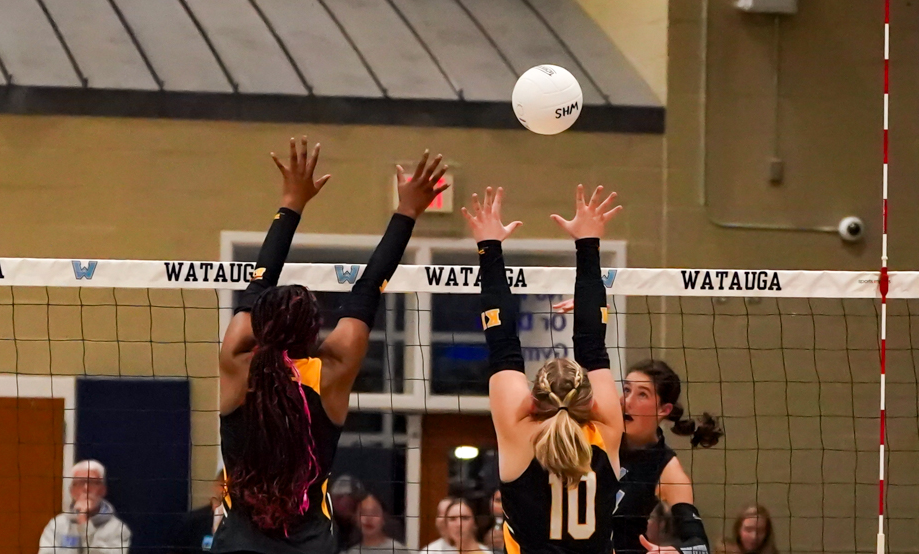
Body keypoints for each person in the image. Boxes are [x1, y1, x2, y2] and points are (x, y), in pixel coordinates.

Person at [211, 138, 447, 554]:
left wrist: (291, 203)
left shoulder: (237, 363)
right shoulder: (331, 371)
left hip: (238, 545)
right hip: (311, 545)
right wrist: (407, 211)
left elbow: (257, 285)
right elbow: (368, 289)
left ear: (259, 326)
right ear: (314, 330)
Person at [465, 185, 624, 554]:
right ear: (589, 401)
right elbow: (592, 345)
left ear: (534, 399)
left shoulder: (521, 436)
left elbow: (503, 342)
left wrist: (489, 246)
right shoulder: (606, 431)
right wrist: (589, 243)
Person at [614, 359, 723, 554]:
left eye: (642, 395)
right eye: (627, 390)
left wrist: (674, 552)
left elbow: (699, 547)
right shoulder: (598, 437)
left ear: (664, 410)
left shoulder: (667, 469)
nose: (627, 401)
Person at [39, 459, 132, 554]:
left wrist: (84, 525)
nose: (86, 488)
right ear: (72, 491)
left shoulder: (118, 529)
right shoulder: (57, 525)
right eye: (80, 482)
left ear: (103, 490)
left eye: (92, 482)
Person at [167, 471, 225, 553]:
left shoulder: (242, 524)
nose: (227, 491)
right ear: (216, 485)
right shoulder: (191, 523)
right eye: (223, 485)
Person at [342, 493, 411, 554]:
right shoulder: (351, 552)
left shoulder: (398, 550)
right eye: (363, 513)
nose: (369, 518)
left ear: (384, 518)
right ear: (355, 518)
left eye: (374, 513)